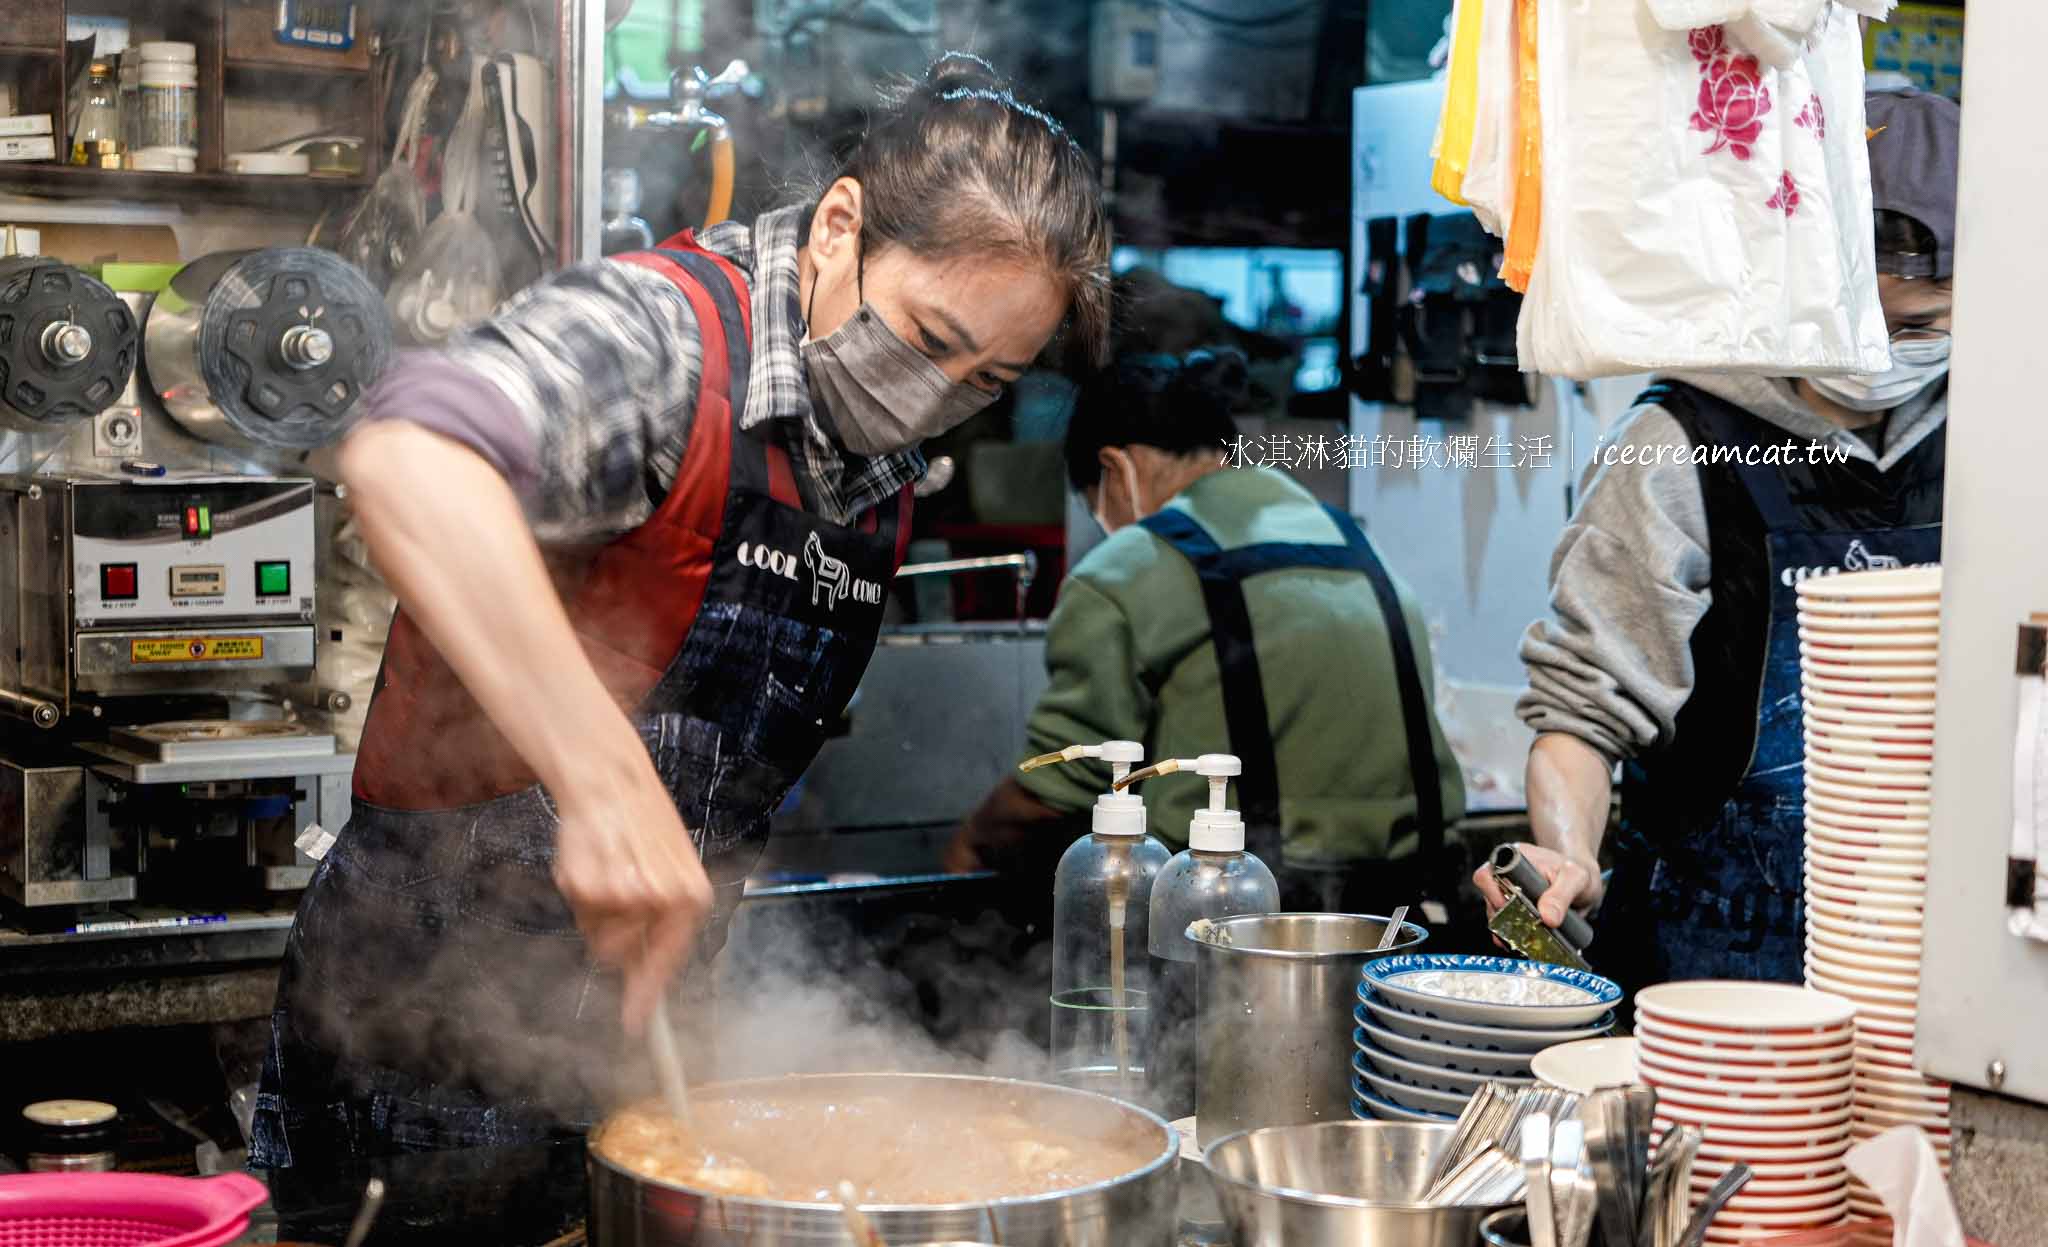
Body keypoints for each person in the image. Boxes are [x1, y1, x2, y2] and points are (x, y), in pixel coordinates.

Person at [251, 54, 1110, 1168]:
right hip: (416, 1039)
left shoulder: (880, 481)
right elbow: (406, 455)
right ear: (839, 226)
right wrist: (604, 781)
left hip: (628, 1060)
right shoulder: (658, 336)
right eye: (928, 341)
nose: (937, 398)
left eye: (986, 383)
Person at [1477, 88, 1958, 992]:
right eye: (1853, 313)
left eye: (1920, 326)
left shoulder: (2000, 448)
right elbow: (1581, 715)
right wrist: (1570, 856)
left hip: (1924, 969)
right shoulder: (1680, 445)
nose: (1877, 351)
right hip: (1707, 971)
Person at [947, 349, 1466, 912]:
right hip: (1402, 913)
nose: (1108, 529)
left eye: (1098, 508)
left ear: (1116, 470)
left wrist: (970, 841)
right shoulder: (1356, 547)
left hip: (1227, 924)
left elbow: (1062, 784)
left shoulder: (1126, 569)